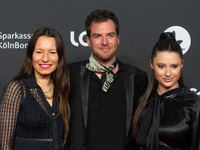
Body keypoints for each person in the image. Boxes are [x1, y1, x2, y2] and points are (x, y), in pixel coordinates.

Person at [68, 9, 148, 150]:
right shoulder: (70, 75)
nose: (105, 42)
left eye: (110, 35)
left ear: (118, 38)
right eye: (97, 36)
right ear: (88, 40)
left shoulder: (137, 78)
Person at [0, 27, 70, 150]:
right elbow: (4, 144)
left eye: (52, 52)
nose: (45, 58)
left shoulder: (62, 88)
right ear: (31, 55)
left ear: (59, 57)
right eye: (39, 52)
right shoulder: (17, 88)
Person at [133, 32, 200, 150]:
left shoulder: (194, 103)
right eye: (161, 66)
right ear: (152, 64)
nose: (168, 73)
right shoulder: (143, 102)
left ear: (182, 65)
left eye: (174, 66)